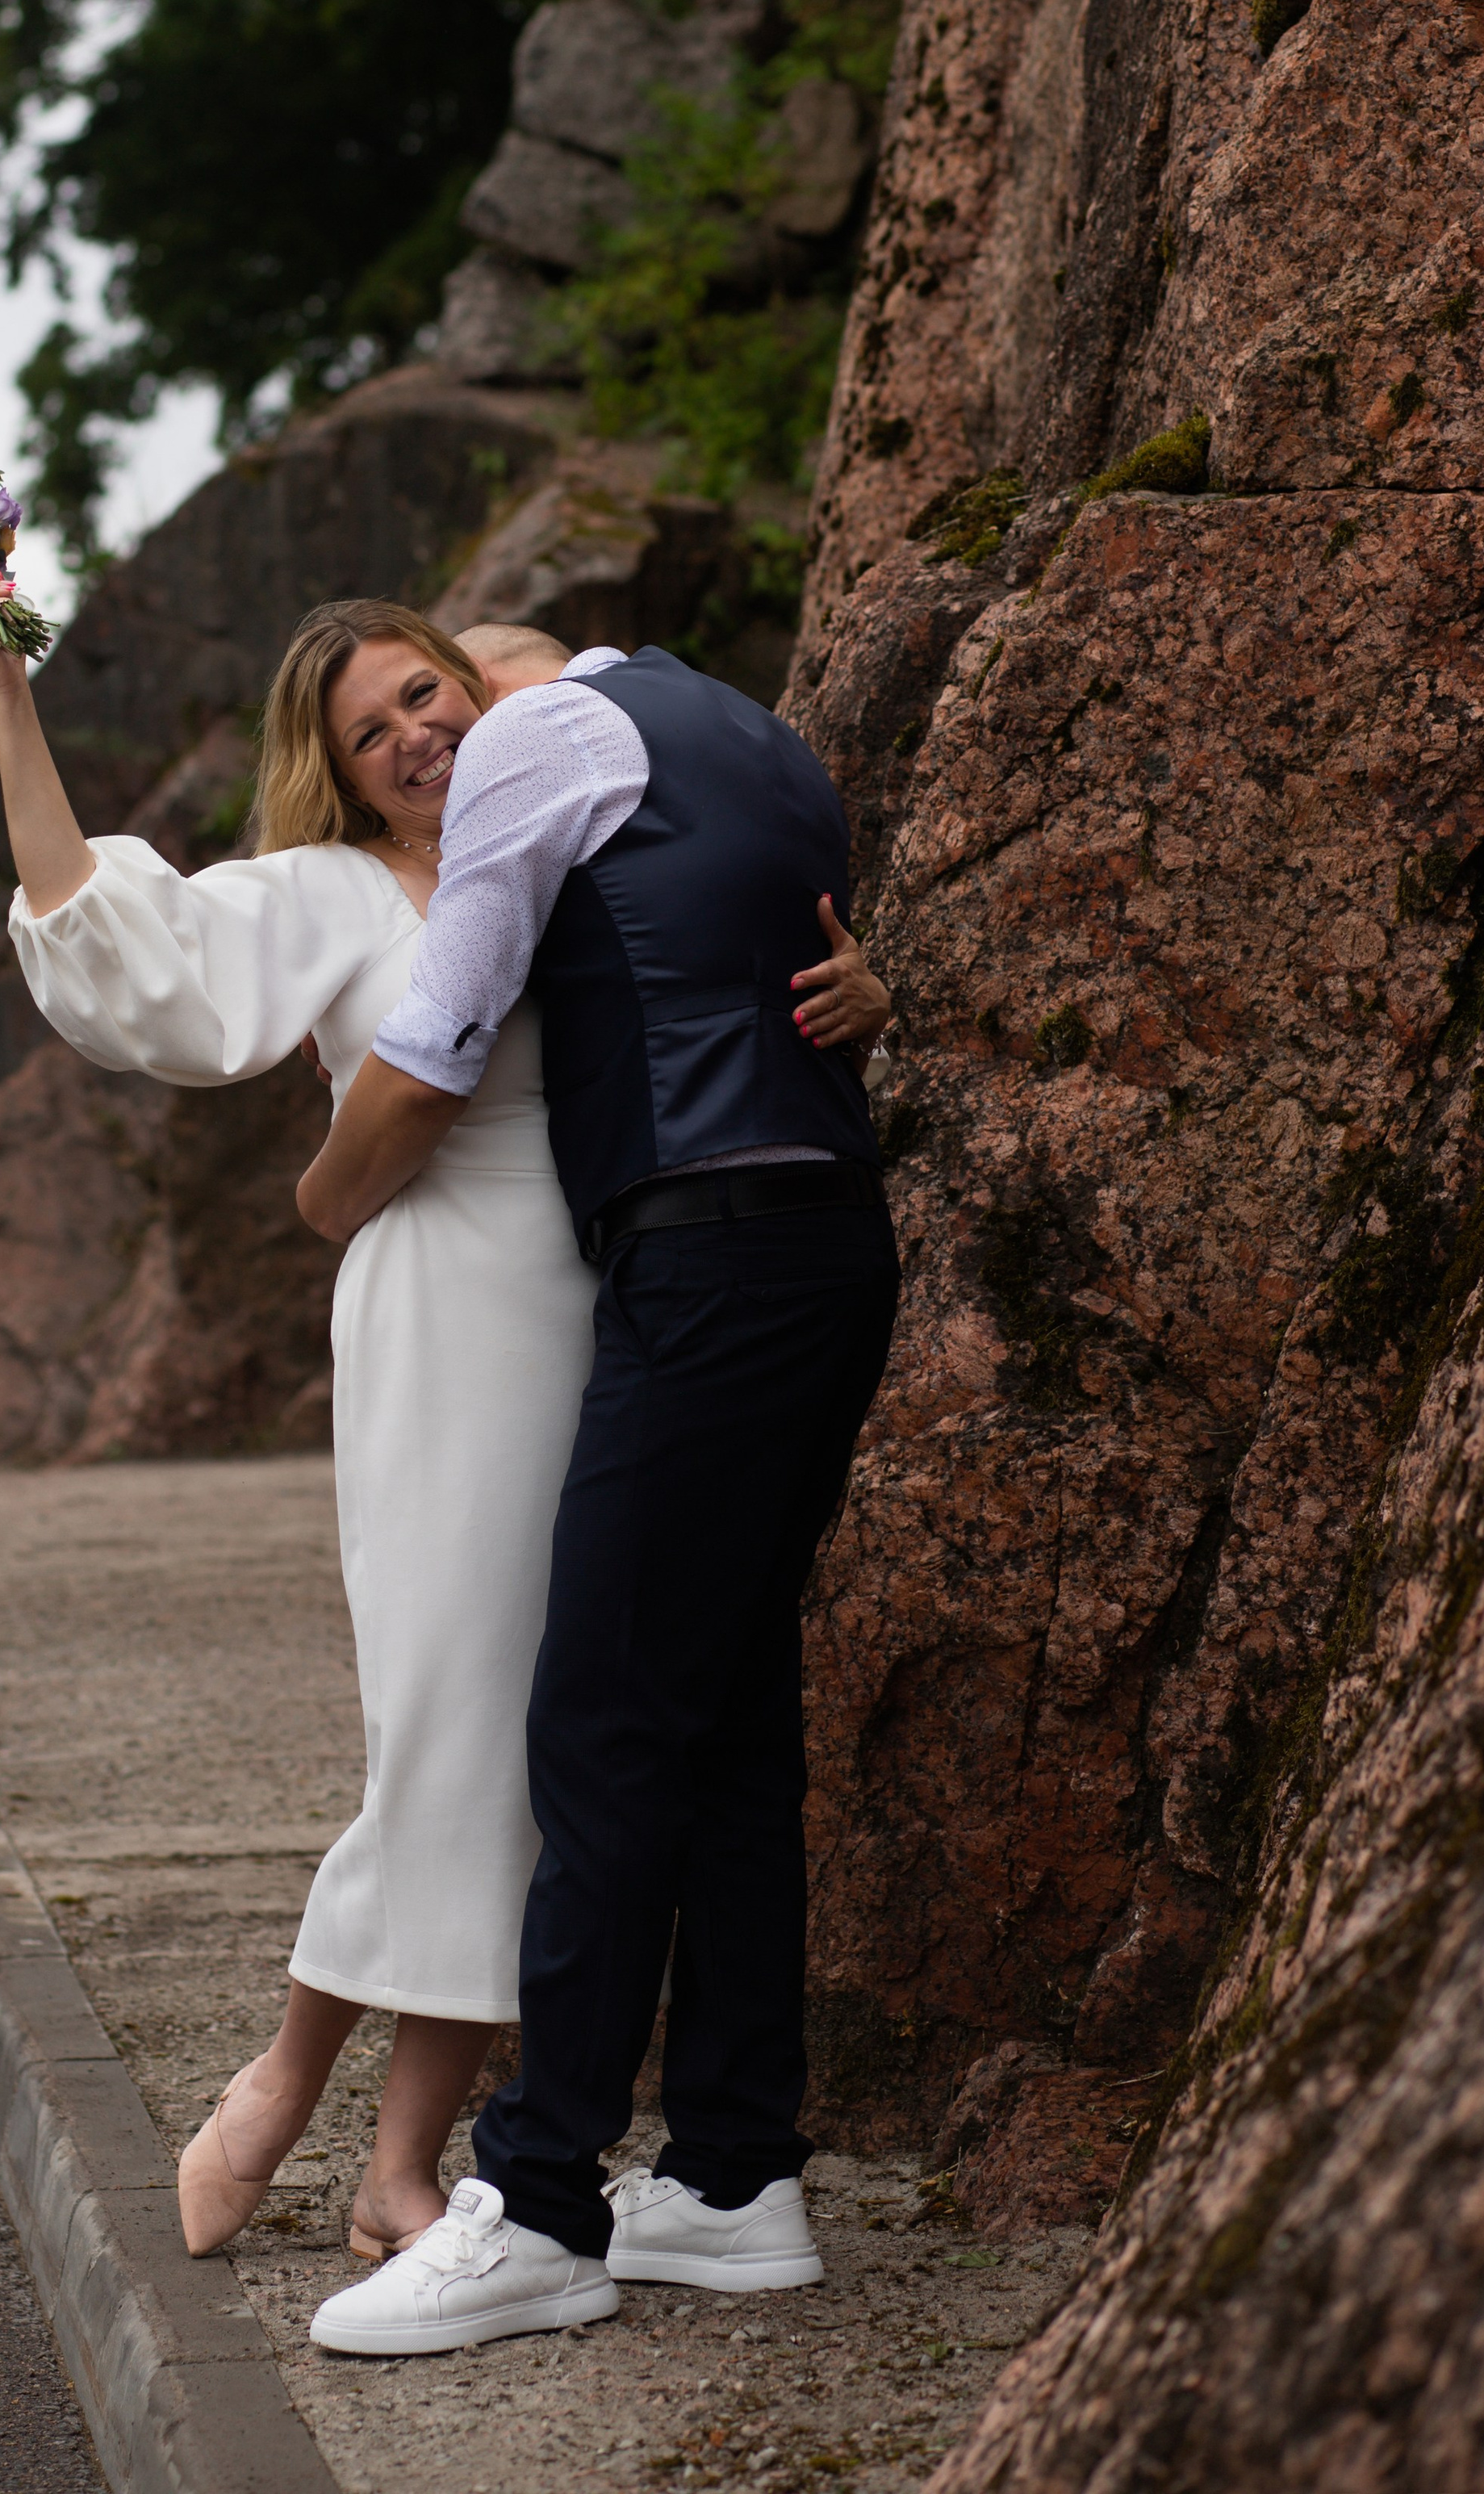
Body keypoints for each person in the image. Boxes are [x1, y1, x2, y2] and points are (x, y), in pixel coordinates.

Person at [0, 563, 888, 2266]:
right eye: (370, 734)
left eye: (423, 697)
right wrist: (7, 699)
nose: (413, 737)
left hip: (608, 1310)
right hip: (441, 1318)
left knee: (546, 1751)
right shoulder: (333, 891)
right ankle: (286, 2084)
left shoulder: (572, 826)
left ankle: (399, 2163)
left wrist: (861, 996)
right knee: (450, 1721)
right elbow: (107, 939)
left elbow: (730, 957)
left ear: (471, 681)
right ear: (342, 773)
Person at [299, 626, 901, 2358]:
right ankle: (728, 2176)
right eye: (399, 715)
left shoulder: (542, 735)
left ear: (524, 669)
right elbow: (783, 976)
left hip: (703, 1254)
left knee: (603, 1719)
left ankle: (540, 2200)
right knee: (724, 1721)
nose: (443, 723)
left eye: (448, 682)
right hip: (818, 1245)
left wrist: (321, 1202)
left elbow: (433, 1038)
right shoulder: (753, 737)